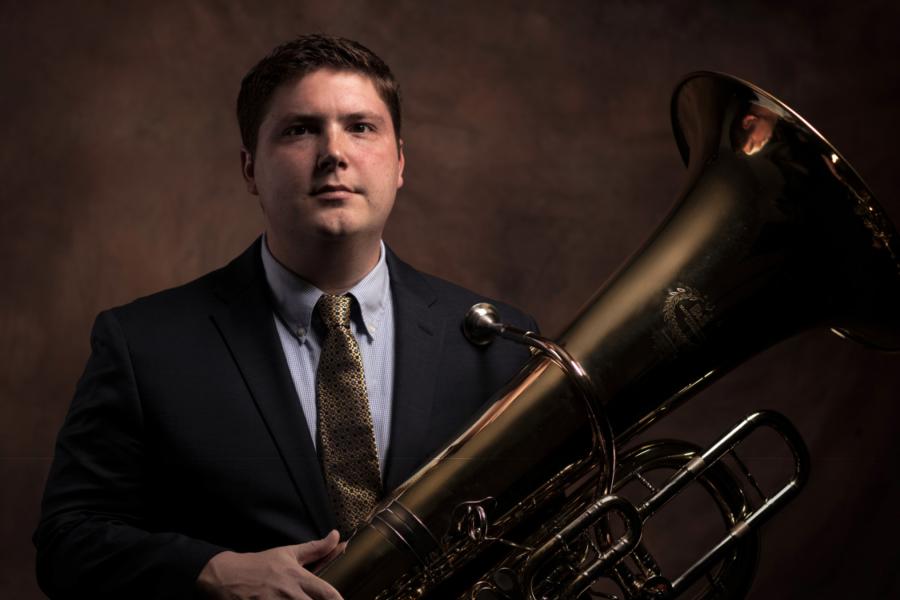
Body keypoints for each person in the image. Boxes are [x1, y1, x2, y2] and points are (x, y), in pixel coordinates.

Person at [34, 34, 536, 599]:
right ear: (250, 169)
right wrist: (212, 571)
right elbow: (66, 544)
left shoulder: (499, 340)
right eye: (299, 129)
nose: (334, 153)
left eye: (361, 127)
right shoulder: (144, 344)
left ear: (399, 163)